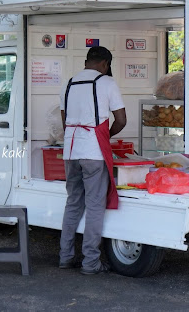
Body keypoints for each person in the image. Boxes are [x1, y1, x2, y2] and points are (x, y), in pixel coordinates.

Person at [58, 46, 127, 275]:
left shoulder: (69, 84)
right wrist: (106, 135)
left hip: (71, 150)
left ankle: (65, 257)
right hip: (94, 152)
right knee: (95, 207)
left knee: (73, 203)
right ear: (105, 64)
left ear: (87, 61)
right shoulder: (106, 83)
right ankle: (90, 263)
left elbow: (64, 119)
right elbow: (121, 119)